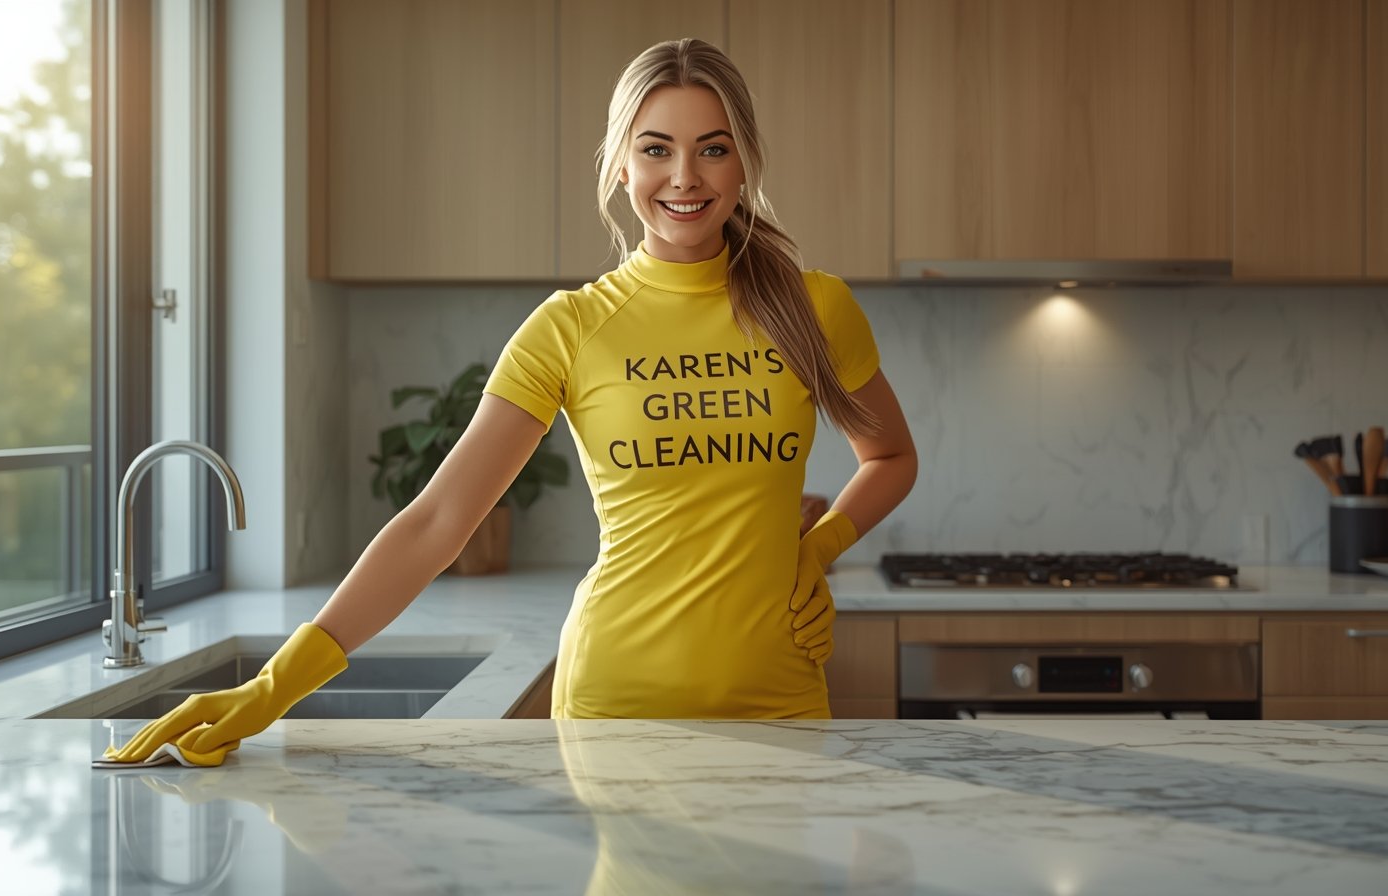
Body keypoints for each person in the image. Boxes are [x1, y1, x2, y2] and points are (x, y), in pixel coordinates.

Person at [105, 38, 916, 766]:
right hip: (615, 710)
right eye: (656, 149)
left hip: (783, 703)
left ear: (745, 164)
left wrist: (815, 548)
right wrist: (272, 689)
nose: (684, 177)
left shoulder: (812, 305)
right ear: (621, 166)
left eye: (713, 149)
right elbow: (435, 522)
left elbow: (889, 457)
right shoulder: (571, 327)